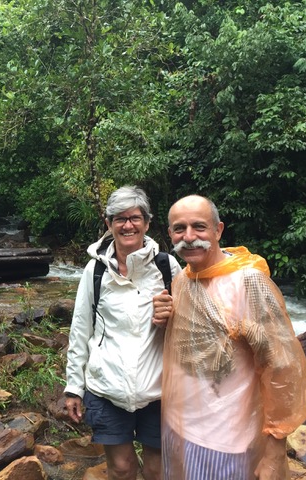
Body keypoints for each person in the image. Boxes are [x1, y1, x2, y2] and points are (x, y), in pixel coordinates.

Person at [154, 194, 306, 479]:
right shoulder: (181, 281)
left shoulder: (249, 282)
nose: (189, 237)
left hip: (229, 438)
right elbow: (192, 347)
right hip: (179, 427)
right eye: (179, 229)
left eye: (199, 227)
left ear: (218, 230)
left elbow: (282, 366)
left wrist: (275, 448)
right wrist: (162, 320)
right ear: (170, 234)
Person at [64, 185, 182, 480]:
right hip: (106, 387)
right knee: (120, 468)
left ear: (147, 222)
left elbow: (192, 330)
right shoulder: (95, 271)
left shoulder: (167, 267)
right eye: (120, 219)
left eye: (135, 218)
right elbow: (81, 330)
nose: (128, 225)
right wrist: (73, 388)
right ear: (109, 224)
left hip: (158, 390)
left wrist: (172, 318)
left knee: (157, 470)